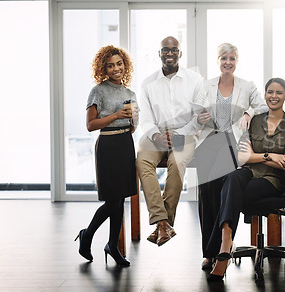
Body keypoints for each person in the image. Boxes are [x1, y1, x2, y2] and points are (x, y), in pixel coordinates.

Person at [205, 78, 285, 281]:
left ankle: (221, 251)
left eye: (279, 93)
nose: (273, 96)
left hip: (273, 181)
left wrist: (257, 156)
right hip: (249, 173)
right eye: (270, 92)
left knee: (230, 193)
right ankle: (226, 239)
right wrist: (270, 156)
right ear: (265, 95)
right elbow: (242, 157)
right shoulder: (255, 120)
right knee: (231, 177)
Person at [195, 43, 268, 271]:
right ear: (218, 60)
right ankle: (208, 253)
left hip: (232, 144)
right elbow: (194, 112)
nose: (228, 62)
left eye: (232, 58)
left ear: (237, 61)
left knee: (224, 197)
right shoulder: (205, 86)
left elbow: (264, 105)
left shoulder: (247, 86)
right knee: (207, 198)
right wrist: (200, 117)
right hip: (208, 143)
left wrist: (249, 112)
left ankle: (222, 248)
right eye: (224, 58)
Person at [136, 36, 205, 247]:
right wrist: (156, 135)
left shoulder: (195, 79)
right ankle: (163, 221)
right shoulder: (147, 83)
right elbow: (146, 118)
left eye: (174, 50)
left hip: (185, 133)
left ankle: (162, 223)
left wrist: (179, 135)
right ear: (159, 53)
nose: (169, 53)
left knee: (176, 164)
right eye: (165, 50)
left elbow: (198, 116)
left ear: (180, 54)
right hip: (155, 134)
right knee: (143, 160)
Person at [75, 45, 139, 267]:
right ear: (104, 68)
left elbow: (131, 127)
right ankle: (88, 235)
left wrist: (133, 120)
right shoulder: (98, 91)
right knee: (112, 200)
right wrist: (116, 115)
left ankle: (112, 245)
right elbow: (90, 125)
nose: (116, 69)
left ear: (125, 65)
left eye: (119, 64)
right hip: (108, 145)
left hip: (125, 143)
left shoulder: (130, 93)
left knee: (120, 199)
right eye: (110, 65)